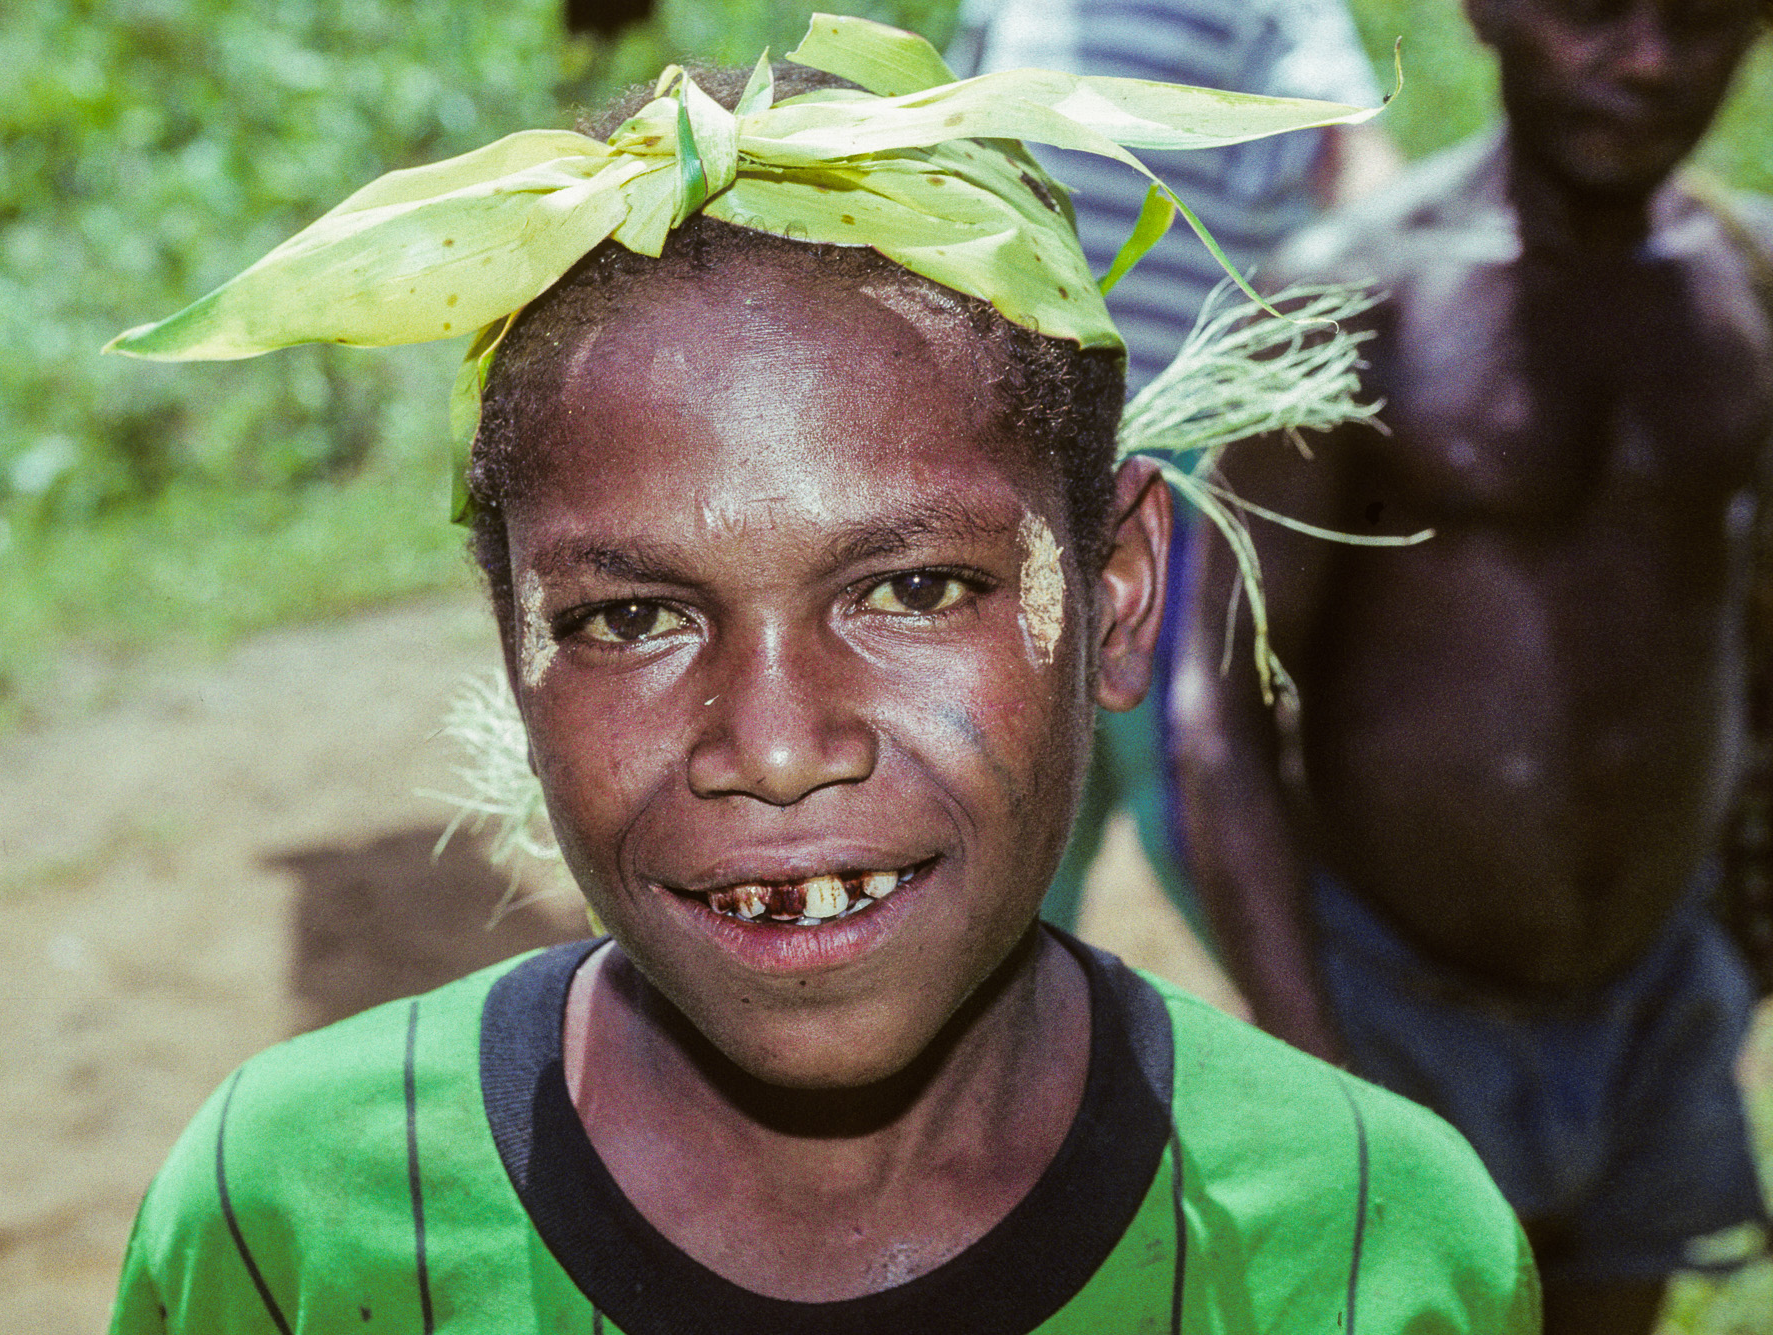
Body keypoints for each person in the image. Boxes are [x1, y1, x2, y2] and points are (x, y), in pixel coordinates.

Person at [102, 18, 1538, 1332]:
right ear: (514, 650)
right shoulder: (289, 1228)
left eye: (912, 589)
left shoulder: (1381, 1251)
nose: (777, 747)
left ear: (1114, 596)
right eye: (630, 616)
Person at [1173, 0, 1773, 1329]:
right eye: (1591, 13)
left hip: (1649, 985)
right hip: (1397, 994)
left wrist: (1736, 942)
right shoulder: (1343, 295)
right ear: (1490, 12)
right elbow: (1219, 712)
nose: (1647, 60)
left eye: (1703, 22)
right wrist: (1315, 1071)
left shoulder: (1743, 282)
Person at [953, 0, 1399, 936]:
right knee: (1014, 795)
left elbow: (1357, 172)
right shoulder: (1009, 9)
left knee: (1189, 798)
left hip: (1182, 475)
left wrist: (1417, 316)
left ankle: (1347, 1042)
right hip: (1021, 466)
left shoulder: (1262, 14)